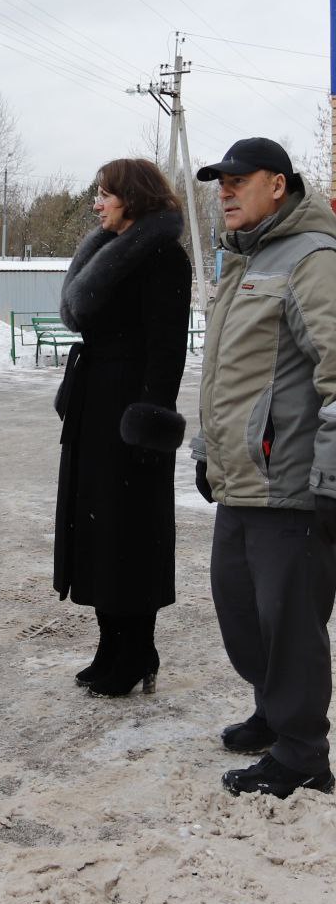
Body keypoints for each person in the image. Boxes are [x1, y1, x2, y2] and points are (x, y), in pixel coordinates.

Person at [190, 137, 336, 799]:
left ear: (277, 186)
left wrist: (330, 479)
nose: (224, 191)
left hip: (291, 485)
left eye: (238, 180)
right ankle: (275, 712)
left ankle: (303, 751)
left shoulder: (311, 259)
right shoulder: (245, 262)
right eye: (219, 182)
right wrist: (205, 451)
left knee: (289, 621)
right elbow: (228, 375)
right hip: (240, 481)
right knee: (242, 611)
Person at [53, 158, 192, 698]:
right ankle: (111, 646)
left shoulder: (163, 258)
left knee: (131, 534)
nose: (96, 203)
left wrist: (150, 421)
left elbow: (167, 351)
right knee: (95, 530)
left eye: (104, 193)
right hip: (94, 407)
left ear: (131, 197)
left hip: (132, 411)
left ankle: (138, 651)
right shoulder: (109, 250)